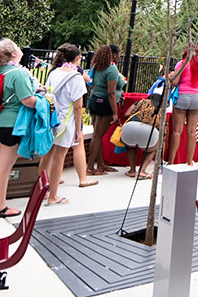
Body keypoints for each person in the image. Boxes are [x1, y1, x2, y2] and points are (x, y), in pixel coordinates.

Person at [0, 38, 37, 219]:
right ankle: (1, 207)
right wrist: (45, 101)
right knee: (5, 167)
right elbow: (27, 99)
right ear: (13, 54)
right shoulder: (18, 74)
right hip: (12, 124)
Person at [40, 44, 97, 206]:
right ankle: (54, 196)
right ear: (77, 58)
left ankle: (42, 190)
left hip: (52, 118)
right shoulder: (76, 77)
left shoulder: (54, 73)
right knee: (59, 158)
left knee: (47, 156)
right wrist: (79, 128)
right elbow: (78, 106)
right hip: (66, 122)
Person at [168, 45, 198, 166]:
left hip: (182, 96)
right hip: (197, 97)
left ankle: (171, 162)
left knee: (177, 131)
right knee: (192, 131)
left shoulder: (181, 64)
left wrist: (170, 78)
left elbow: (175, 82)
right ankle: (189, 161)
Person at [87, 45, 125, 174]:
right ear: (113, 55)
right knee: (97, 136)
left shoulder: (97, 67)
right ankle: (90, 167)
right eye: (119, 54)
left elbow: (92, 85)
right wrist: (115, 112)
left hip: (94, 101)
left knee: (97, 135)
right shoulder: (111, 70)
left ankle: (101, 165)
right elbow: (111, 93)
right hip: (105, 104)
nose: (120, 57)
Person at [120, 95, 161, 180]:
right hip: (148, 130)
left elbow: (127, 114)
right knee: (152, 149)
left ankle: (132, 171)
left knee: (130, 146)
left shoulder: (140, 103)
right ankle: (142, 171)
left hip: (130, 127)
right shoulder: (159, 109)